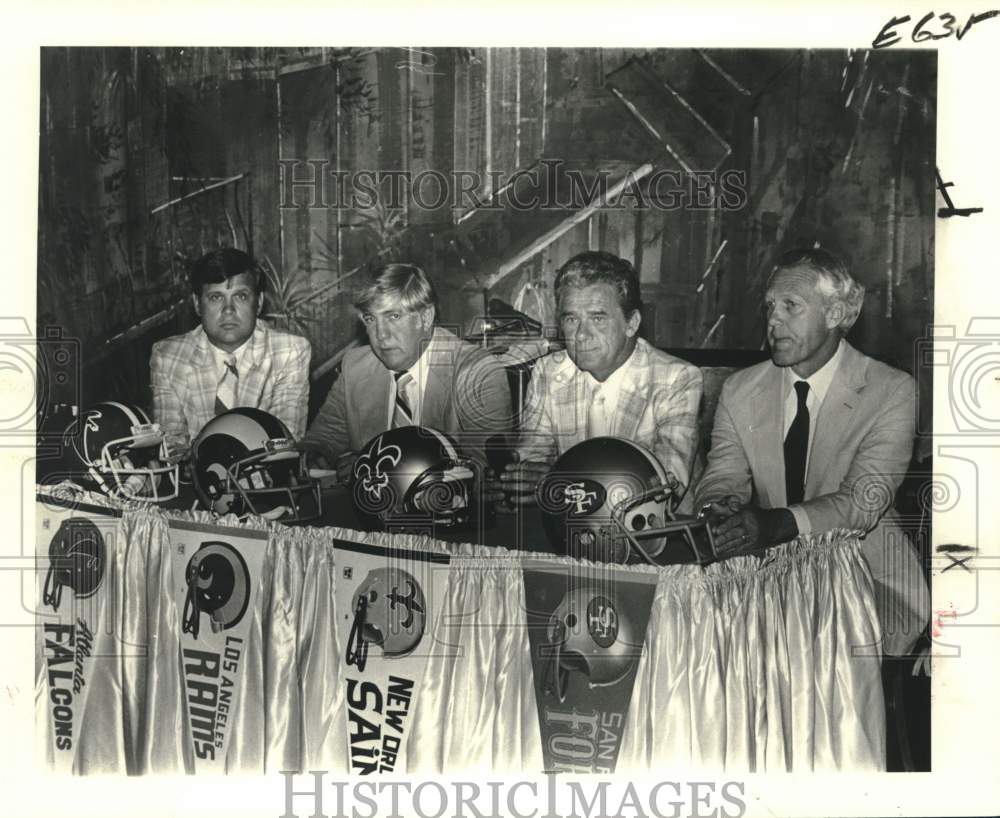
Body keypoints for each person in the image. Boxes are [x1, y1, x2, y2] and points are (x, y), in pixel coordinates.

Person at [694, 247, 928, 655]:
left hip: (867, 578)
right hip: (764, 575)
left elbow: (862, 502)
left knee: (803, 645)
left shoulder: (891, 390)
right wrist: (720, 509)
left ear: (835, 314)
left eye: (791, 306)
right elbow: (723, 475)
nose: (773, 320)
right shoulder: (740, 389)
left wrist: (773, 525)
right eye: (769, 307)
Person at [494, 251, 703, 511]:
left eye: (597, 318)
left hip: (656, 536)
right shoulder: (548, 372)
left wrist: (561, 486)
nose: (581, 335)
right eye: (571, 319)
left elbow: (666, 487)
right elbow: (529, 462)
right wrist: (512, 484)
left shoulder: (676, 378)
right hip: (571, 530)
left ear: (632, 323)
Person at [301, 263, 513, 480]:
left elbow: (486, 471)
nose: (381, 335)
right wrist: (313, 458)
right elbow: (324, 438)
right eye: (370, 319)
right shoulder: (355, 365)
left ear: (425, 317)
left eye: (393, 316)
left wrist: (381, 469)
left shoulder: (476, 371)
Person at [150, 248, 311, 459]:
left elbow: (284, 441)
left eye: (241, 296)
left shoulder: (289, 351)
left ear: (259, 302)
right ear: (198, 304)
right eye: (216, 297)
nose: (228, 310)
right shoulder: (168, 356)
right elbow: (171, 445)